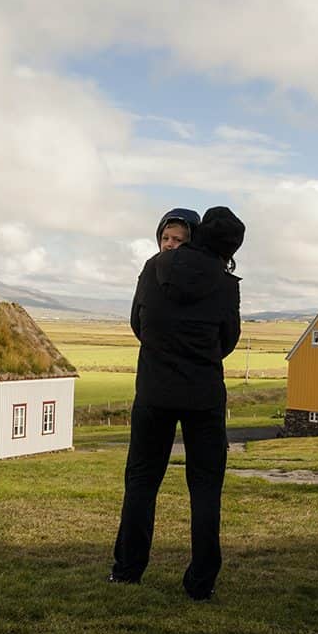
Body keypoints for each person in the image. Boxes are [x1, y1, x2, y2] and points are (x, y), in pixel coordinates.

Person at [111, 206, 244, 600]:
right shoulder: (224, 283)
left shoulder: (153, 268)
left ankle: (127, 570)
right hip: (203, 395)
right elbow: (228, 341)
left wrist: (163, 351)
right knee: (205, 490)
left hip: (154, 390)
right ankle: (200, 583)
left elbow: (138, 323)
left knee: (140, 482)